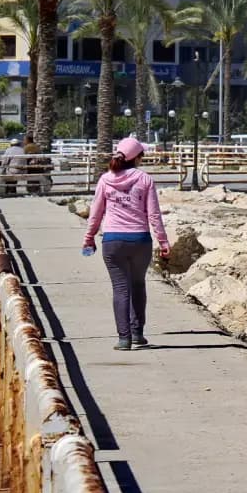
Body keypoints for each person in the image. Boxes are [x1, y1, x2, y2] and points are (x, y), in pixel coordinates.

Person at [82, 137, 169, 351]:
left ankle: (124, 339)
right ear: (137, 157)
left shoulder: (105, 180)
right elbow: (154, 215)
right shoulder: (145, 179)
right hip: (140, 240)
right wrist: (163, 241)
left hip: (113, 241)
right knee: (138, 285)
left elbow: (96, 213)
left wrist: (89, 237)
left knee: (120, 289)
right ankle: (138, 333)